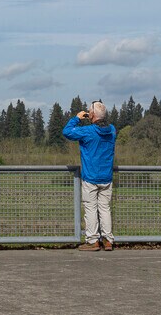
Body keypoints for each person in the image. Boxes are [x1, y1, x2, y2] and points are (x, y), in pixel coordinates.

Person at [62, 100, 117, 251]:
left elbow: (67, 132)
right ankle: (107, 239)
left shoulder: (88, 131)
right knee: (105, 208)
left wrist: (77, 118)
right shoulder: (112, 130)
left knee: (91, 209)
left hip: (90, 177)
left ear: (91, 115)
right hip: (106, 177)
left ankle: (93, 240)